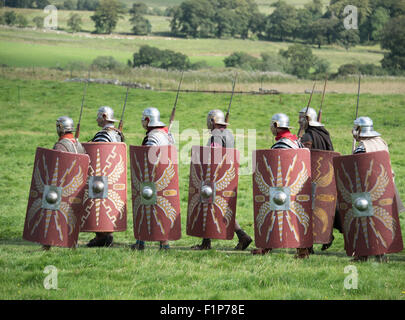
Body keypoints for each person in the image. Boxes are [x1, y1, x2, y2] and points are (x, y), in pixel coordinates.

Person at [191, 109, 252, 251]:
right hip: (226, 176)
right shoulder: (228, 134)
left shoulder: (216, 135)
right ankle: (242, 236)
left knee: (208, 206)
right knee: (221, 209)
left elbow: (214, 157)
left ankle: (206, 243)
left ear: (212, 121)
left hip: (215, 177)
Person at [252, 113, 310, 259]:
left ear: (276, 126)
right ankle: (301, 250)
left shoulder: (282, 144)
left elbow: (277, 167)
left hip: (282, 188)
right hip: (295, 188)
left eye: (272, 125)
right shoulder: (296, 141)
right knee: (294, 216)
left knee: (274, 214)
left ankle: (267, 246)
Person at [351, 116, 405, 262]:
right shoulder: (381, 142)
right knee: (381, 221)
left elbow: (357, 168)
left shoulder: (362, 146)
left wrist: (351, 158)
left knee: (364, 221)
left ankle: (362, 255)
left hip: (368, 190)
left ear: (359, 129)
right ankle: (381, 255)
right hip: (385, 188)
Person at [131, 107, 176, 251]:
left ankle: (140, 242)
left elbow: (147, 159)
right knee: (159, 209)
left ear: (148, 120)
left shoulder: (152, 137)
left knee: (144, 207)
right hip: (164, 179)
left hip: (151, 178)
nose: (142, 122)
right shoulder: (167, 135)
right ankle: (164, 244)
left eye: (144, 119)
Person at [298, 107, 341, 252]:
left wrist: (298, 143)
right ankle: (326, 237)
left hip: (311, 178)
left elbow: (303, 157)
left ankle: (307, 246)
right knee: (323, 210)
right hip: (325, 179)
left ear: (308, 119)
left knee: (307, 210)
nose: (299, 121)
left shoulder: (307, 137)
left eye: (301, 118)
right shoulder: (324, 134)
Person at [43, 116, 86, 250]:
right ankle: (72, 242)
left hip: (61, 190)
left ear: (60, 128)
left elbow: (54, 169)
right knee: (72, 215)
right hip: (76, 188)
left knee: (51, 211)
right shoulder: (79, 145)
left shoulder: (60, 145)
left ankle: (47, 242)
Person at [86, 106, 124, 248]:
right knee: (107, 206)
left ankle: (101, 236)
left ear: (103, 116)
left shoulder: (102, 134)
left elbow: (97, 156)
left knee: (99, 206)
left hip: (101, 177)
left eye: (98, 115)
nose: (96, 118)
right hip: (113, 177)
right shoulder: (118, 134)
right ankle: (107, 235)